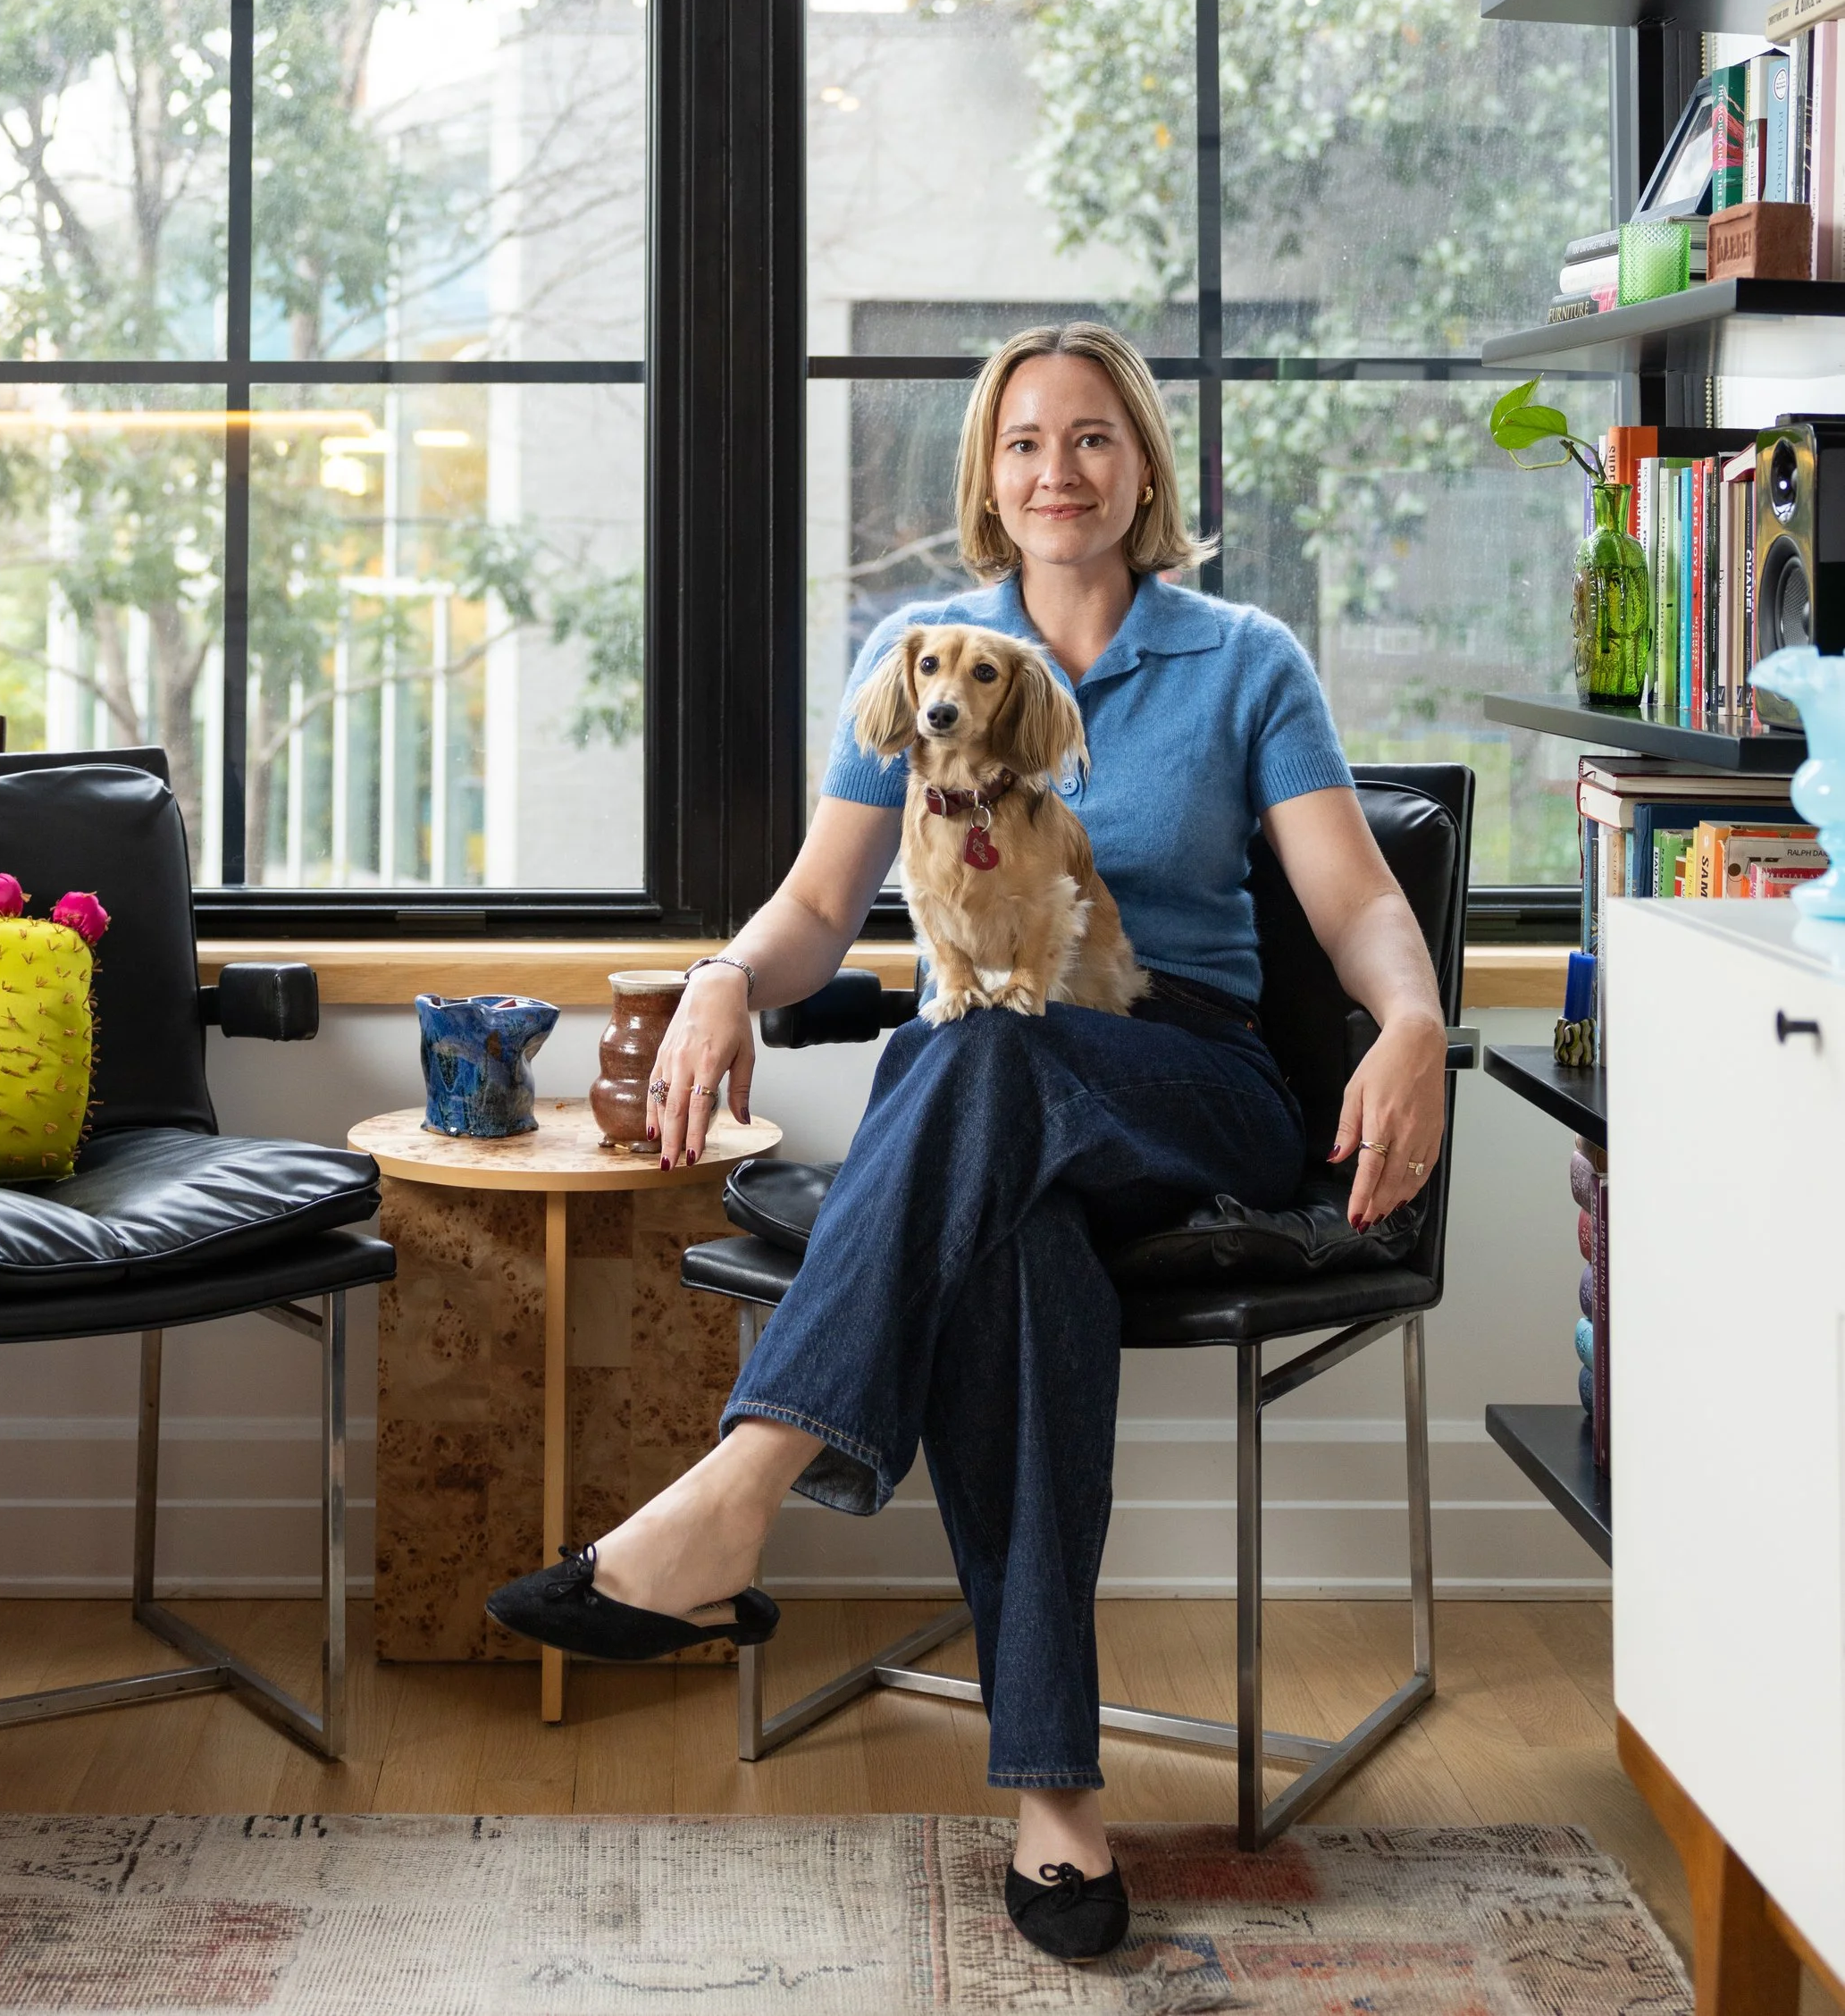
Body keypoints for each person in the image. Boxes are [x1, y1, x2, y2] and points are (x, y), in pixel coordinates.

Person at [489, 322, 1447, 1963]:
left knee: (979, 1055)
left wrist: (1416, 1020)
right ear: (987, 480)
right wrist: (725, 978)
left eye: (1089, 439)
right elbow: (817, 904)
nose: (1055, 470)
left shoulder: (1243, 661)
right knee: (1014, 1241)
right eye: (1022, 444)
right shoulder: (922, 657)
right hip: (1004, 1100)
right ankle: (1057, 1802)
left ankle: (741, 1487)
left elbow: (1354, 897)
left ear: (1142, 465)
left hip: (1188, 1082)